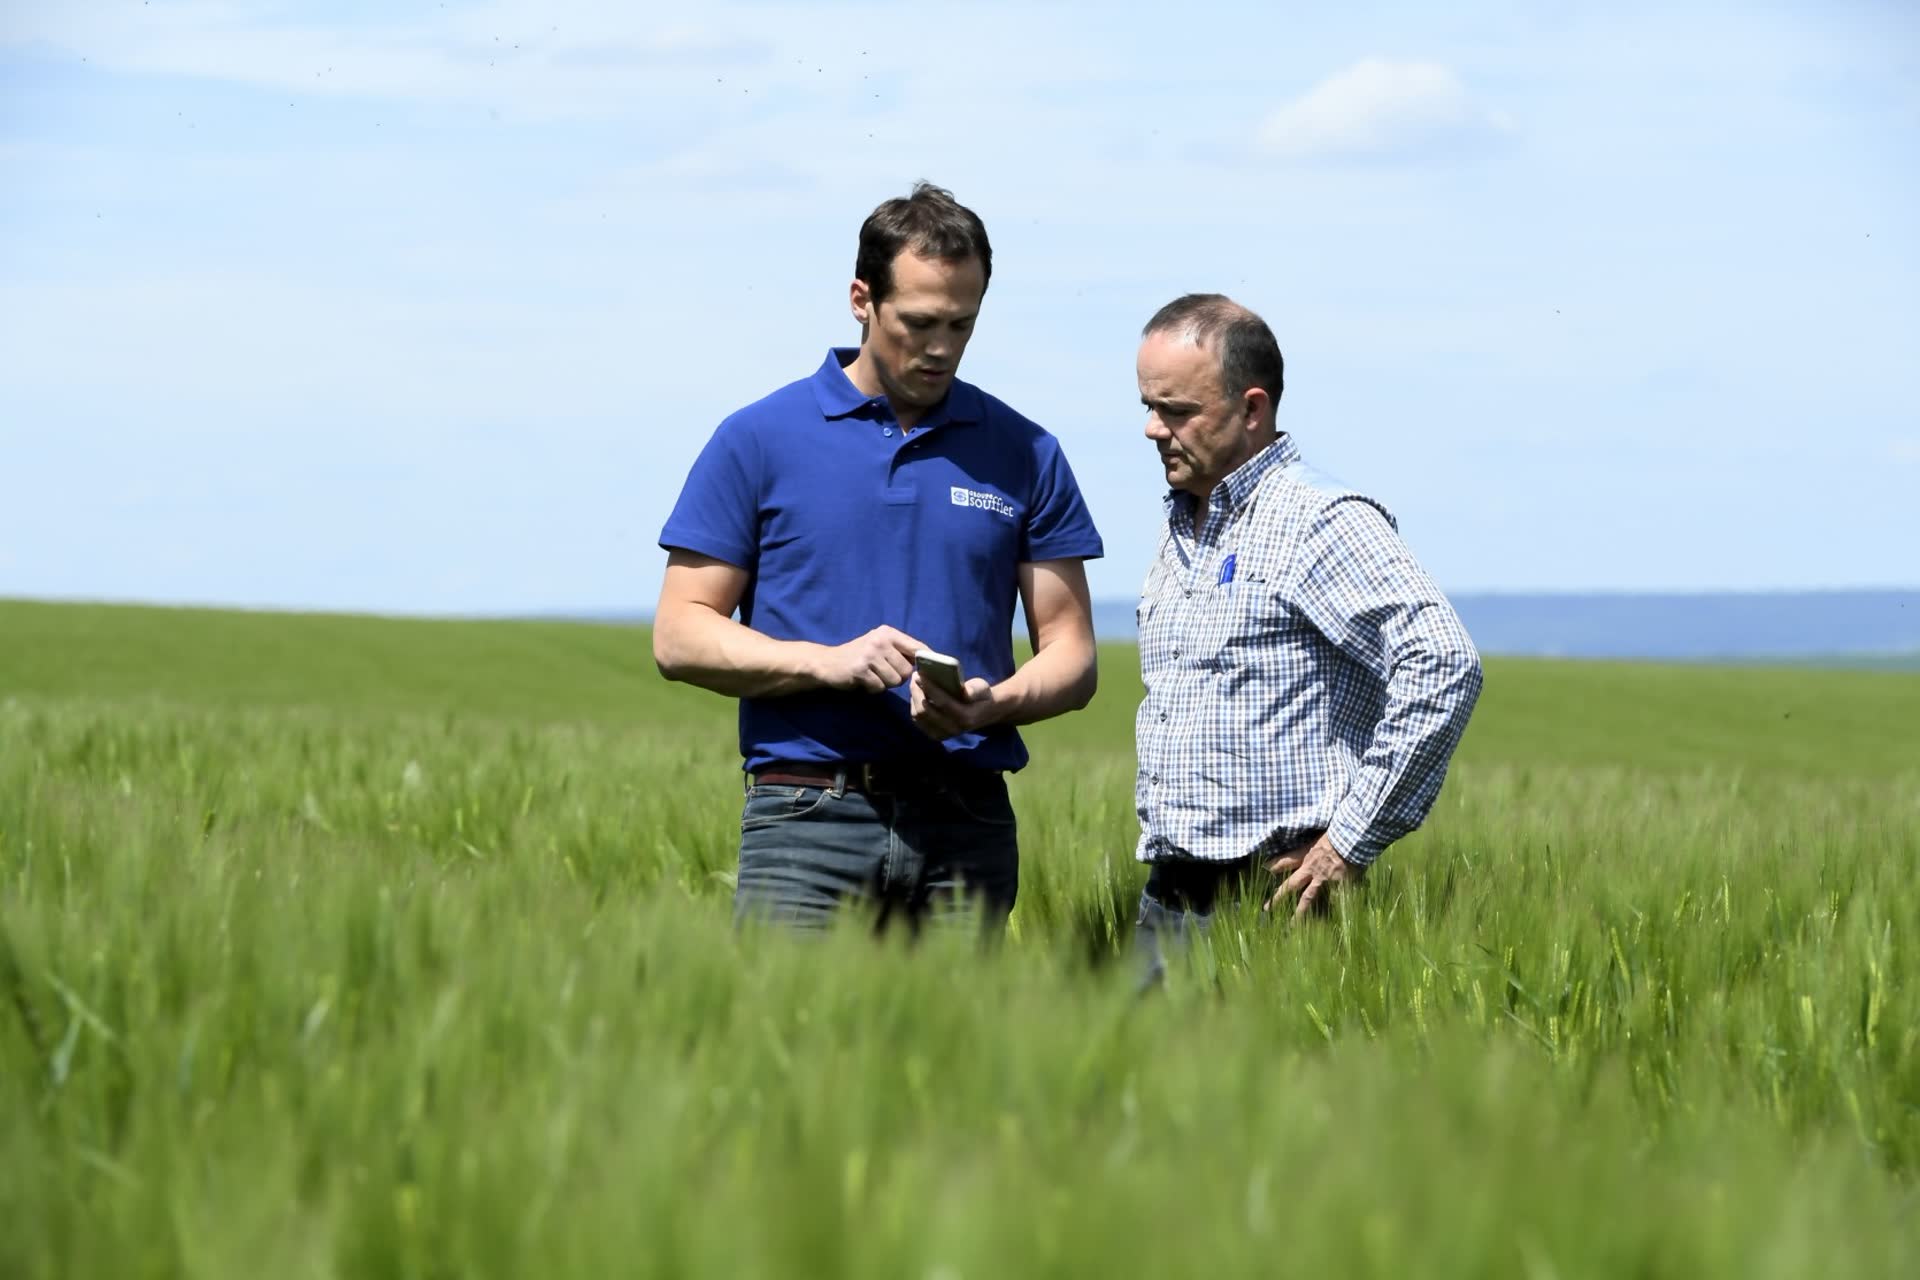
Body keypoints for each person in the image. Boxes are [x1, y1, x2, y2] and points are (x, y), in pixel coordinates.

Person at [653, 182, 1104, 934]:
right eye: (920, 323)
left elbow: (1074, 652)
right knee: (783, 1048)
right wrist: (825, 663)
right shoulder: (758, 438)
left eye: (963, 325)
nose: (941, 348)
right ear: (862, 299)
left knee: (957, 1055)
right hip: (805, 817)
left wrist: (996, 704)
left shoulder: (1025, 451)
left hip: (967, 820)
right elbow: (679, 634)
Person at [1130, 293, 1482, 974]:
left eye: (1176, 410)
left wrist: (1350, 841)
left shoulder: (1319, 520)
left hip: (1275, 907)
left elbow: (1442, 663)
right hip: (1166, 904)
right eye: (1147, 406)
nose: (1152, 428)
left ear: (1252, 409)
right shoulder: (1185, 526)